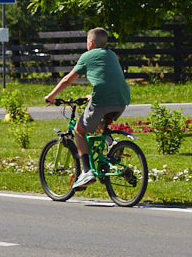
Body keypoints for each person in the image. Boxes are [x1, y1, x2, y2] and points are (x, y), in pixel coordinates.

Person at [45, 28, 131, 190]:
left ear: (90, 43)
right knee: (99, 122)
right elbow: (108, 78)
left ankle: (86, 171)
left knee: (79, 131)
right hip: (122, 99)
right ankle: (112, 143)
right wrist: (92, 95)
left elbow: (68, 79)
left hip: (103, 99)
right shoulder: (111, 55)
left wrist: (51, 96)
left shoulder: (87, 56)